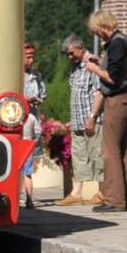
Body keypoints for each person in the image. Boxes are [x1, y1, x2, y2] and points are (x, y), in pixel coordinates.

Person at [84, 10, 127, 212]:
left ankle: (114, 200)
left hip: (118, 99)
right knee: (124, 149)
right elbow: (120, 68)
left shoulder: (116, 42)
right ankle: (124, 198)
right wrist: (100, 62)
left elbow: (112, 77)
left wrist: (95, 69)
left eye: (97, 31)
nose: (97, 35)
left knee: (110, 151)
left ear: (103, 26)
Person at [55, 35, 105, 206]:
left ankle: (102, 191)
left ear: (80, 47)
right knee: (79, 157)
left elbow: (99, 92)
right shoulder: (74, 67)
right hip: (77, 121)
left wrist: (92, 117)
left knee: (96, 155)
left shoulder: (92, 64)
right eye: (67, 55)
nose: (70, 57)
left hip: (91, 120)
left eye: (71, 53)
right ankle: (76, 193)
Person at [20, 42, 46, 209]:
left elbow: (43, 93)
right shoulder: (14, 75)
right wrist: (25, 99)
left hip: (33, 118)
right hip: (21, 119)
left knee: (28, 157)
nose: (31, 60)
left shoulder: (36, 75)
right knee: (24, 156)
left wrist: (39, 98)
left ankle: (28, 198)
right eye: (28, 57)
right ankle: (26, 198)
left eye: (32, 56)